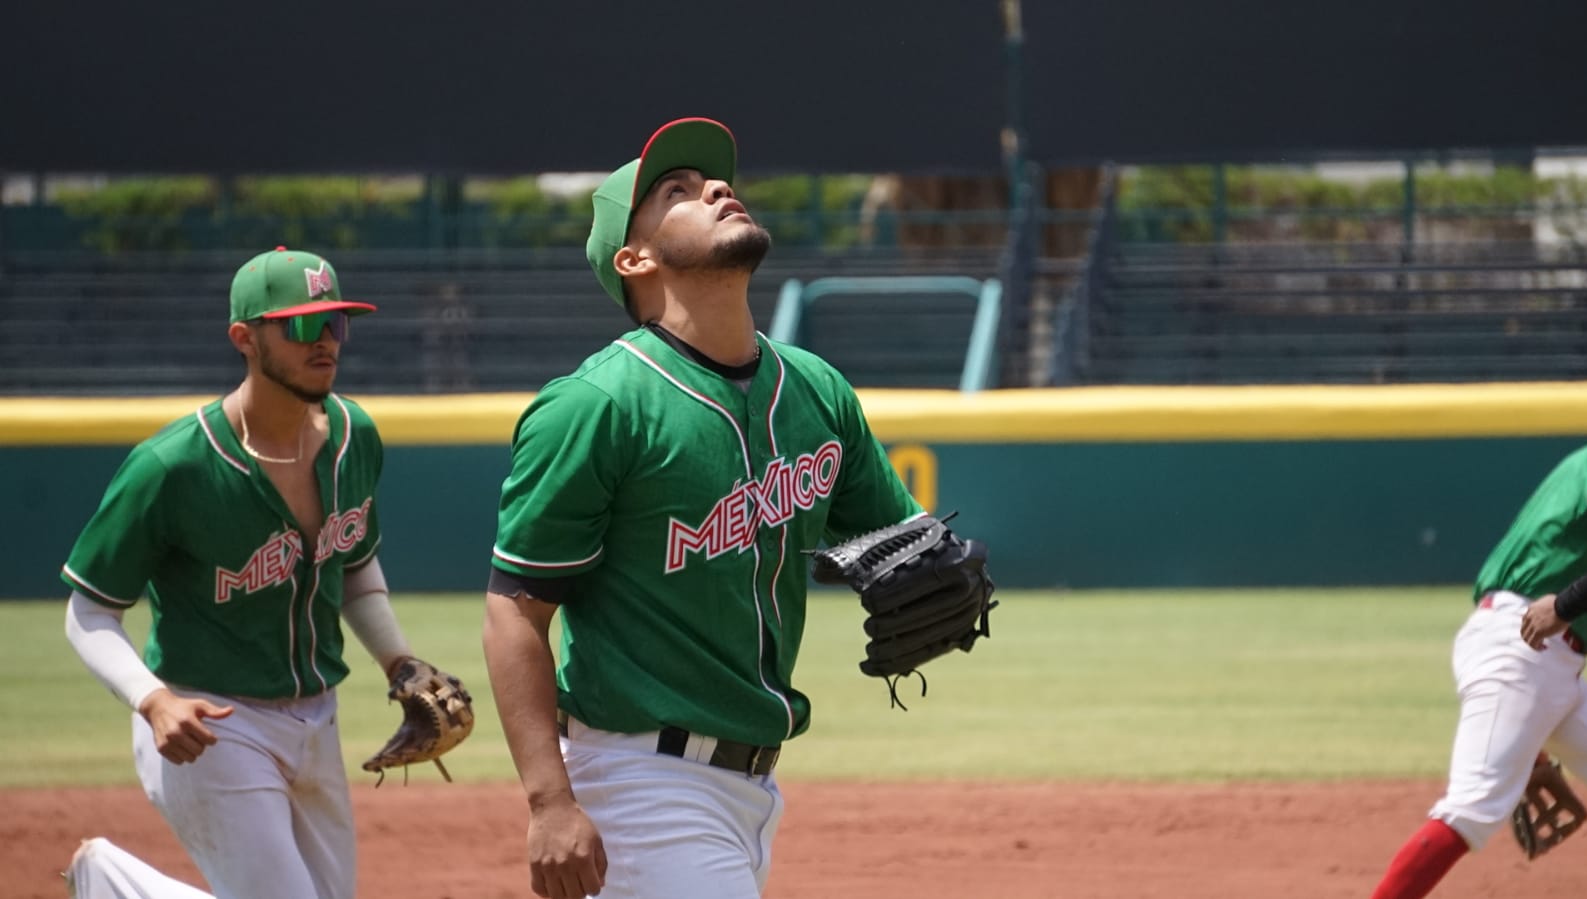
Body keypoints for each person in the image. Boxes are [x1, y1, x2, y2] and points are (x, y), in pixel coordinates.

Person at [481, 117, 946, 899]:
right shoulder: (597, 405)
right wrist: (549, 801)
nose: (717, 189)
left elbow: (903, 539)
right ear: (634, 258)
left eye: (715, 181)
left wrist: (934, 567)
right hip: (637, 777)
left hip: (752, 784)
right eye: (678, 191)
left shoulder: (813, 388)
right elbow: (513, 614)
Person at [61, 247, 440, 899]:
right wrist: (152, 698)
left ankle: (112, 882)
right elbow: (88, 611)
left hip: (317, 714)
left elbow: (353, 562)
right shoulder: (172, 468)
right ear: (244, 338)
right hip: (212, 721)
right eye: (300, 325)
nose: (324, 341)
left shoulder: (355, 437)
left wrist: (399, 661)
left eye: (336, 323)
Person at [1369, 440, 1587, 898]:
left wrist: (1528, 744)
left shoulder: (1585, 458)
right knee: (1471, 810)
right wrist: (1569, 604)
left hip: (1544, 660)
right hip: (1525, 644)